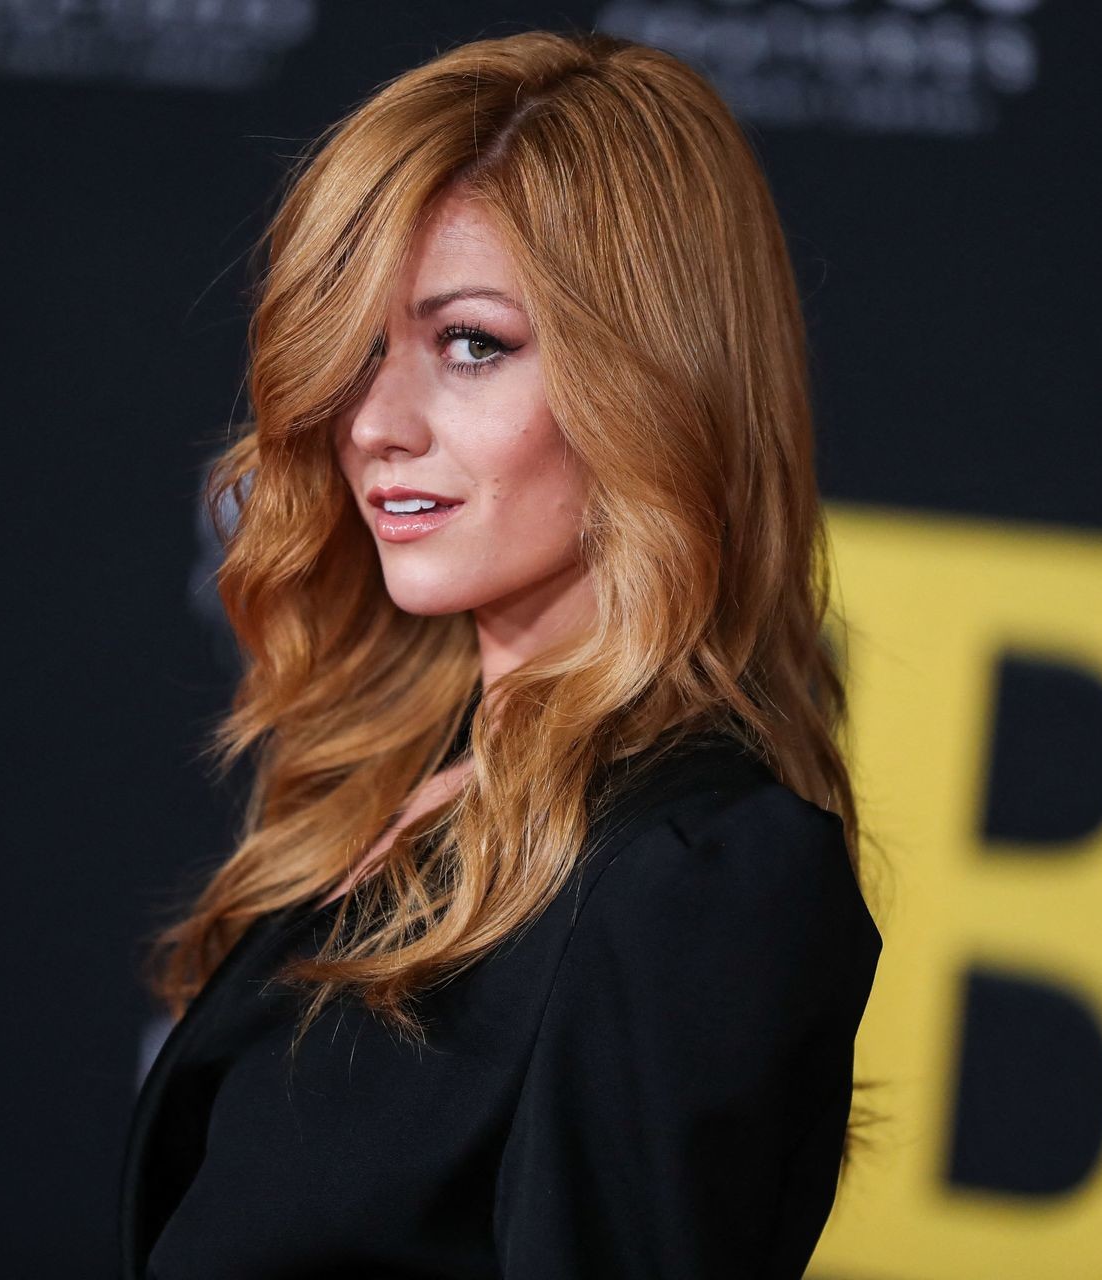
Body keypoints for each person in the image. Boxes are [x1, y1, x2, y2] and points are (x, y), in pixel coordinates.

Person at [121, 27, 884, 1279]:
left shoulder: (691, 877)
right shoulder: (405, 775)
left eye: (471, 343)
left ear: (657, 380)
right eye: (363, 347)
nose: (375, 421)